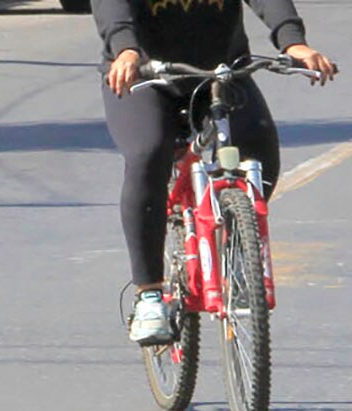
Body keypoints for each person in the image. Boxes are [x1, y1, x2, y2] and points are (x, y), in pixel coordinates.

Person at [93, 0, 336, 345]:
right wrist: (126, 50)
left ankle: (238, 252)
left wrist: (292, 41)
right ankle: (149, 295)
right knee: (149, 153)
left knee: (259, 145)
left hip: (221, 74)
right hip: (144, 76)